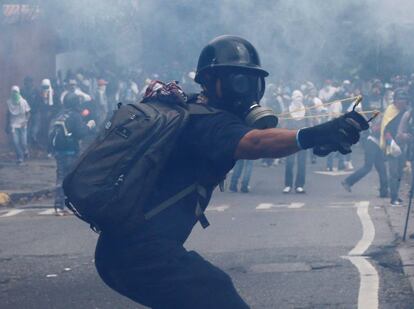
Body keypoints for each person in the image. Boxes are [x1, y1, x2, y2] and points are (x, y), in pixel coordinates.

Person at [94, 35, 368, 308]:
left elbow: (258, 136)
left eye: (251, 82)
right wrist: (316, 135)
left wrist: (313, 140)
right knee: (217, 293)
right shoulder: (210, 122)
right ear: (212, 82)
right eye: (237, 81)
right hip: (139, 253)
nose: (245, 91)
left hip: (127, 249)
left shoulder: (192, 109)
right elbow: (256, 142)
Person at [49, 93, 96, 215]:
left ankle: (59, 206)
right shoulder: (75, 116)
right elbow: (80, 133)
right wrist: (89, 126)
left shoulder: (60, 115)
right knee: (73, 178)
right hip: (71, 151)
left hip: (59, 152)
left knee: (60, 178)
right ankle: (74, 204)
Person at [341, 115, 388, 197]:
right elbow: (375, 130)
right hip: (372, 144)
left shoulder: (386, 119)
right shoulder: (384, 119)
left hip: (377, 146)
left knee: (382, 169)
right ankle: (348, 181)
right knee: (368, 167)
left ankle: (384, 193)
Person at [380, 88, 409, 206]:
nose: (401, 102)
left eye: (404, 99)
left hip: (403, 145)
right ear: (395, 100)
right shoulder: (390, 110)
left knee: (400, 172)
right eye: (399, 99)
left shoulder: (407, 112)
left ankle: (396, 194)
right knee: (393, 172)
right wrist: (392, 143)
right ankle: (393, 197)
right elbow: (386, 129)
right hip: (392, 145)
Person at [283, 90, 308, 193]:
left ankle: (300, 185)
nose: (299, 99)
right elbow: (283, 125)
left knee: (302, 163)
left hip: (303, 140)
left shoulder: (306, 110)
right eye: (297, 97)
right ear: (292, 98)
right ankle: (288, 184)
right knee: (289, 162)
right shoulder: (287, 110)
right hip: (290, 140)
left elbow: (311, 124)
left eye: (300, 97)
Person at [5, 86, 31, 164]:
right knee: (15, 142)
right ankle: (20, 157)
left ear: (19, 92)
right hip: (13, 124)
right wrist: (7, 125)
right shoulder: (9, 102)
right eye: (13, 92)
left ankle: (26, 151)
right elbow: (8, 114)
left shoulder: (24, 102)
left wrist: (26, 121)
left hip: (23, 124)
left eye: (16, 92)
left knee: (23, 142)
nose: (14, 93)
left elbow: (28, 113)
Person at [20, 76, 42, 148]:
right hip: (26, 112)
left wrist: (38, 108)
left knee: (35, 126)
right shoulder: (22, 91)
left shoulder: (36, 91)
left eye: (30, 82)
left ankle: (33, 137)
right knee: (27, 127)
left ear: (32, 83)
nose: (29, 83)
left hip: (35, 111)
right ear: (25, 83)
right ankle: (28, 143)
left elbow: (40, 100)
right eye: (27, 82)